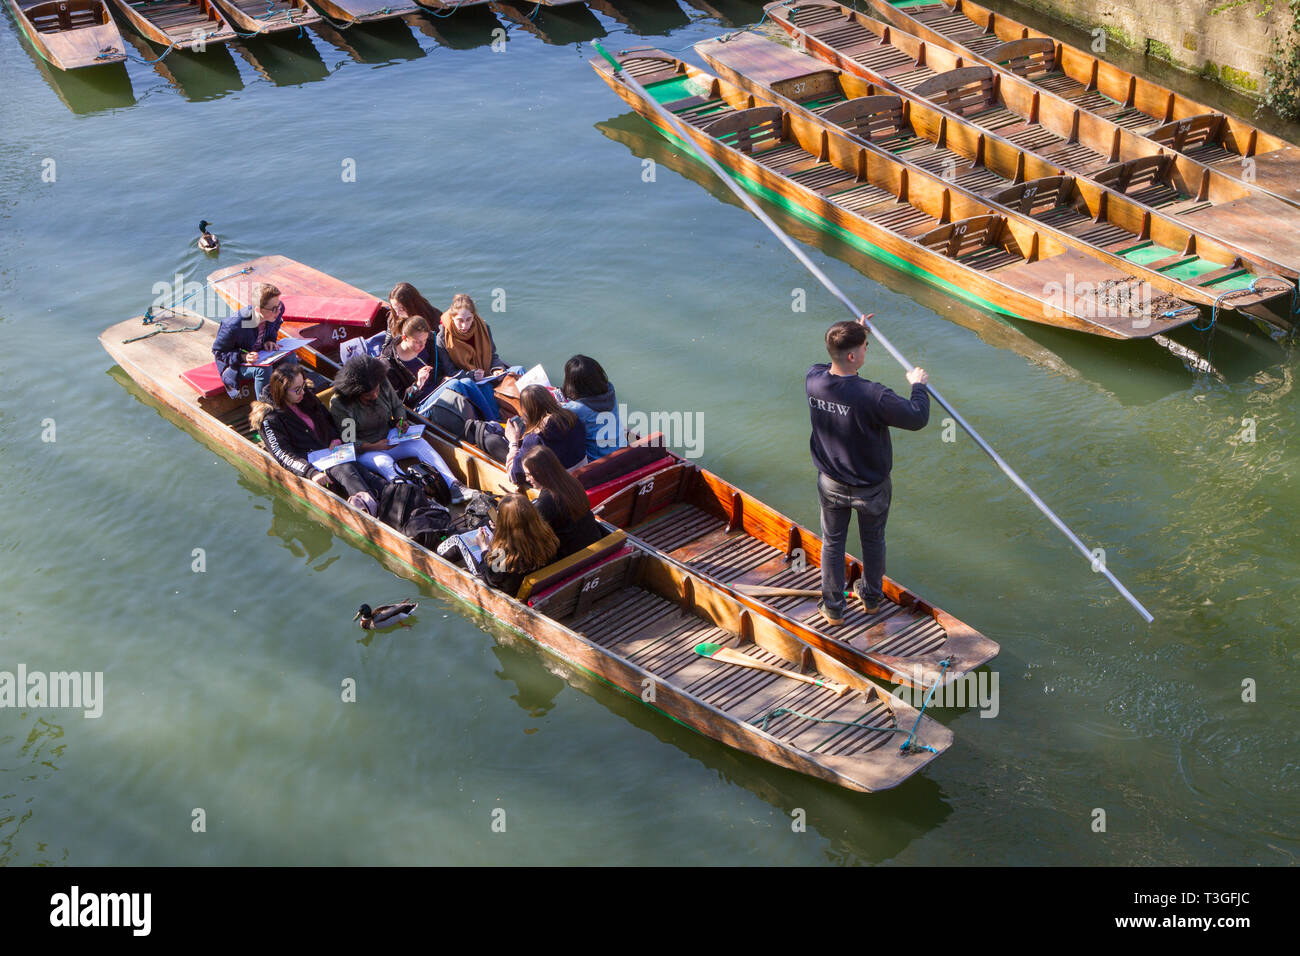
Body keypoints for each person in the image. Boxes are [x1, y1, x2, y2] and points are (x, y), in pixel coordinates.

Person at [807, 315, 929, 626]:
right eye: (865, 346)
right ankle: (871, 598)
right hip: (870, 487)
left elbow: (829, 365)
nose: (867, 350)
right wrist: (917, 386)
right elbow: (916, 418)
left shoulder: (813, 380)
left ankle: (833, 607)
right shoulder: (874, 395)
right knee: (873, 541)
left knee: (832, 542)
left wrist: (858, 331)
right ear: (852, 355)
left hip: (831, 483)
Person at [329, 355, 471, 504]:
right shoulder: (341, 403)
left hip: (388, 436)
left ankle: (454, 486)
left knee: (419, 443)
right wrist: (375, 446)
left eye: (377, 390)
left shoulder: (381, 380)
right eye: (368, 396)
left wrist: (400, 421)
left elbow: (397, 406)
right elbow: (350, 441)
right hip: (365, 450)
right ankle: (419, 500)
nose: (376, 395)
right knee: (384, 462)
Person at [252, 366, 382, 515]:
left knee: (363, 472)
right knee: (346, 470)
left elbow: (328, 420)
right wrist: (311, 472)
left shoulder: (306, 396)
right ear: (282, 390)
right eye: (297, 390)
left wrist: (334, 438)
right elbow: (283, 455)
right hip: (313, 464)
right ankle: (370, 509)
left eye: (303, 387)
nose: (302, 392)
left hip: (333, 453)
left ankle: (390, 498)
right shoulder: (270, 419)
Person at [521, 446, 605, 558]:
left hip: (571, 559)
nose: (527, 479)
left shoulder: (545, 503)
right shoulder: (571, 483)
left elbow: (530, 540)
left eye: (529, 474)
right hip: (592, 543)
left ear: (540, 472)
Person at [212, 283, 289, 400]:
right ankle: (265, 409)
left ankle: (291, 395)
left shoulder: (277, 310)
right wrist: (243, 357)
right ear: (258, 309)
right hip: (235, 365)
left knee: (291, 357)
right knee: (263, 369)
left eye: (278, 306)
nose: (278, 311)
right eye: (274, 309)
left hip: (260, 354)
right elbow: (218, 352)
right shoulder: (233, 325)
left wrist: (270, 340)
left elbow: (275, 326)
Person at [505, 385, 587, 487]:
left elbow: (515, 475)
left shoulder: (534, 438)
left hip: (560, 489)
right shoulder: (573, 419)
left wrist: (513, 442)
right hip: (582, 479)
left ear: (526, 412)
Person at [482, 494, 560, 595]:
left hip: (507, 599)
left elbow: (491, 579)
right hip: (535, 590)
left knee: (457, 540)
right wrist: (502, 529)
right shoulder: (547, 536)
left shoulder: (503, 552)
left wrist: (485, 549)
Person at [561, 354, 626, 460]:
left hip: (598, 460)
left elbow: (557, 416)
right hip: (623, 449)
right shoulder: (610, 390)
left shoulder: (577, 408)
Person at [433, 294, 508, 381]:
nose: (464, 325)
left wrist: (497, 369)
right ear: (452, 317)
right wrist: (471, 376)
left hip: (489, 375)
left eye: (468, 319)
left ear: (474, 316)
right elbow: (450, 371)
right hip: (468, 381)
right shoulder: (442, 339)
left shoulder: (484, 328)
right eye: (460, 320)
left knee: (519, 369)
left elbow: (492, 355)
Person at [378, 282, 441, 351]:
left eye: (401, 309)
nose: (397, 313)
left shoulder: (434, 319)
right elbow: (388, 343)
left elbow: (437, 349)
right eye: (394, 308)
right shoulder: (393, 317)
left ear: (412, 305)